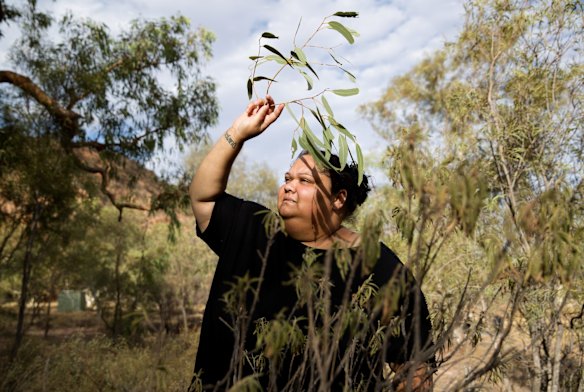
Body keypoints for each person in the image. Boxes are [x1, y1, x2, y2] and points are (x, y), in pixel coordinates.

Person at [189, 96, 434, 391]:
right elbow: (204, 197)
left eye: (305, 181)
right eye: (287, 178)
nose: (289, 186)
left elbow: (413, 365)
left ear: (338, 198)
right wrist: (237, 134)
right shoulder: (254, 229)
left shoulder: (379, 267)